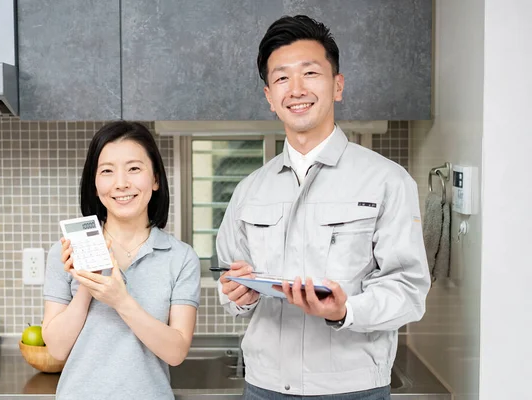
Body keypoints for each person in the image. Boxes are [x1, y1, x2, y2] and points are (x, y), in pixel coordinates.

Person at [217, 15, 430, 399]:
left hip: (353, 389)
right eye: (282, 78)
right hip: (263, 387)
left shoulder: (388, 181)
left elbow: (408, 292)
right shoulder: (249, 191)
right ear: (269, 97)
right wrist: (238, 295)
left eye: (310, 73)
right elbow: (233, 283)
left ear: (337, 86)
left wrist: (344, 311)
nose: (296, 89)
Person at [43, 121, 200, 400]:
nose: (121, 183)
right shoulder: (66, 251)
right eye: (107, 171)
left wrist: (120, 300)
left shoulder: (181, 258)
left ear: (155, 179)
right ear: (94, 183)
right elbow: (56, 349)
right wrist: (87, 284)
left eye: (134, 168)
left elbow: (176, 352)